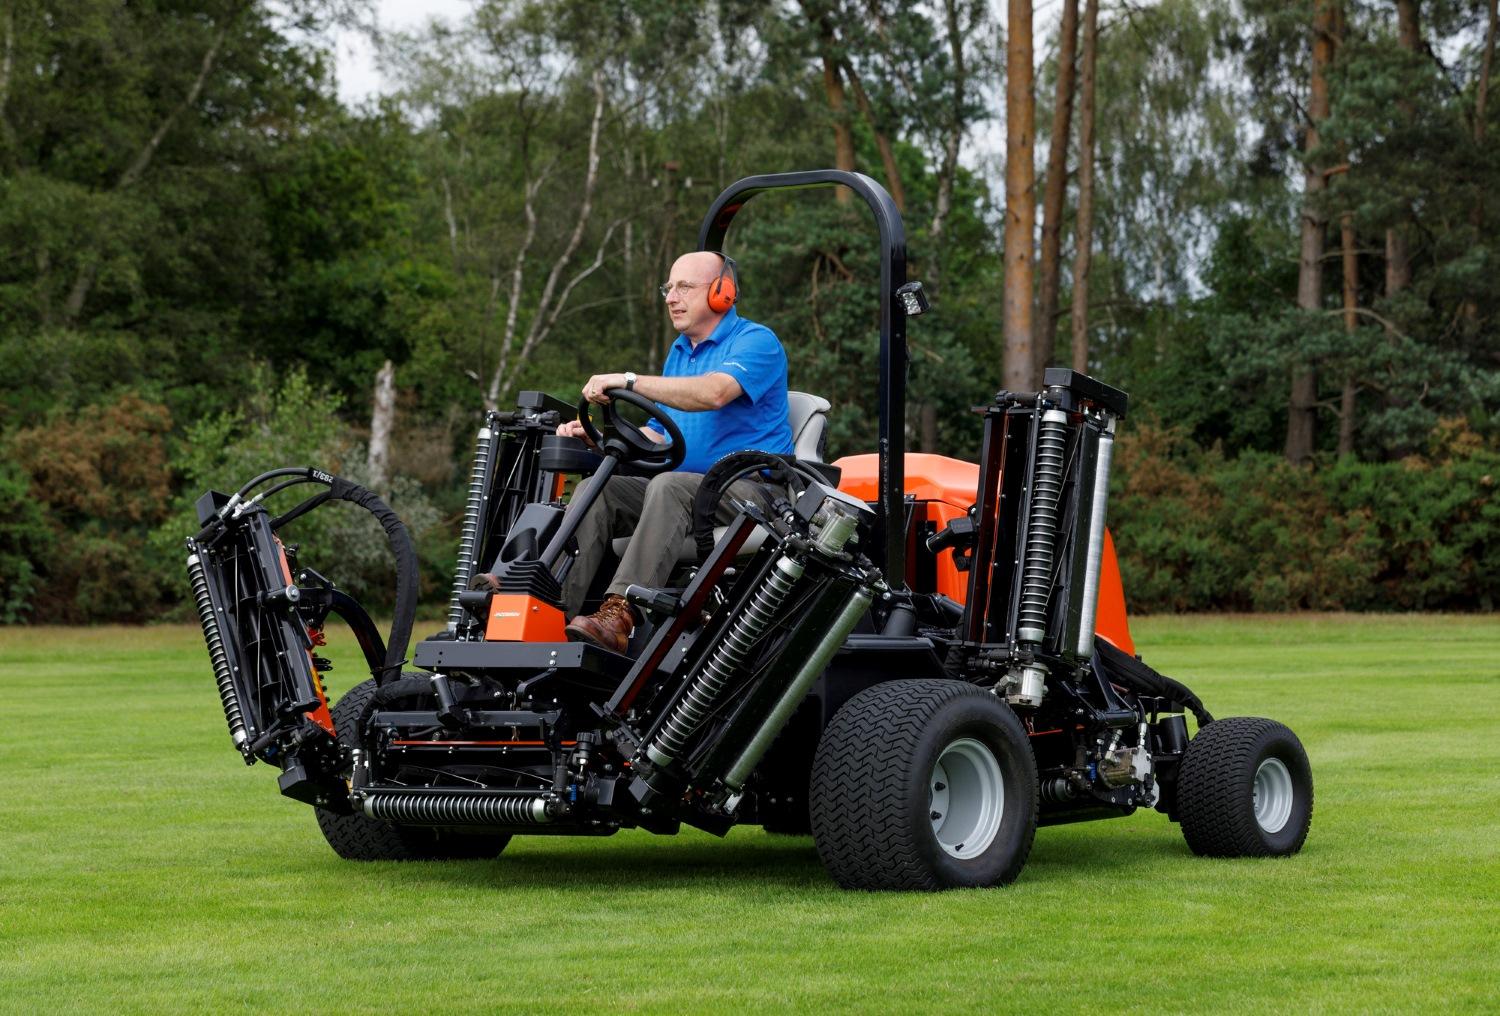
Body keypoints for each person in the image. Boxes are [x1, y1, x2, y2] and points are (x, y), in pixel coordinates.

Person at [556, 251, 795, 652]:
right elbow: (660, 435)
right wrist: (597, 435)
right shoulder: (680, 352)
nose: (671, 297)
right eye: (669, 287)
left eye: (684, 287)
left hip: (753, 491)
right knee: (598, 489)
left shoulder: (757, 341)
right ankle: (554, 607)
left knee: (669, 486)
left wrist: (628, 380)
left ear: (722, 293)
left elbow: (714, 393)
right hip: (691, 489)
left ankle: (620, 613)